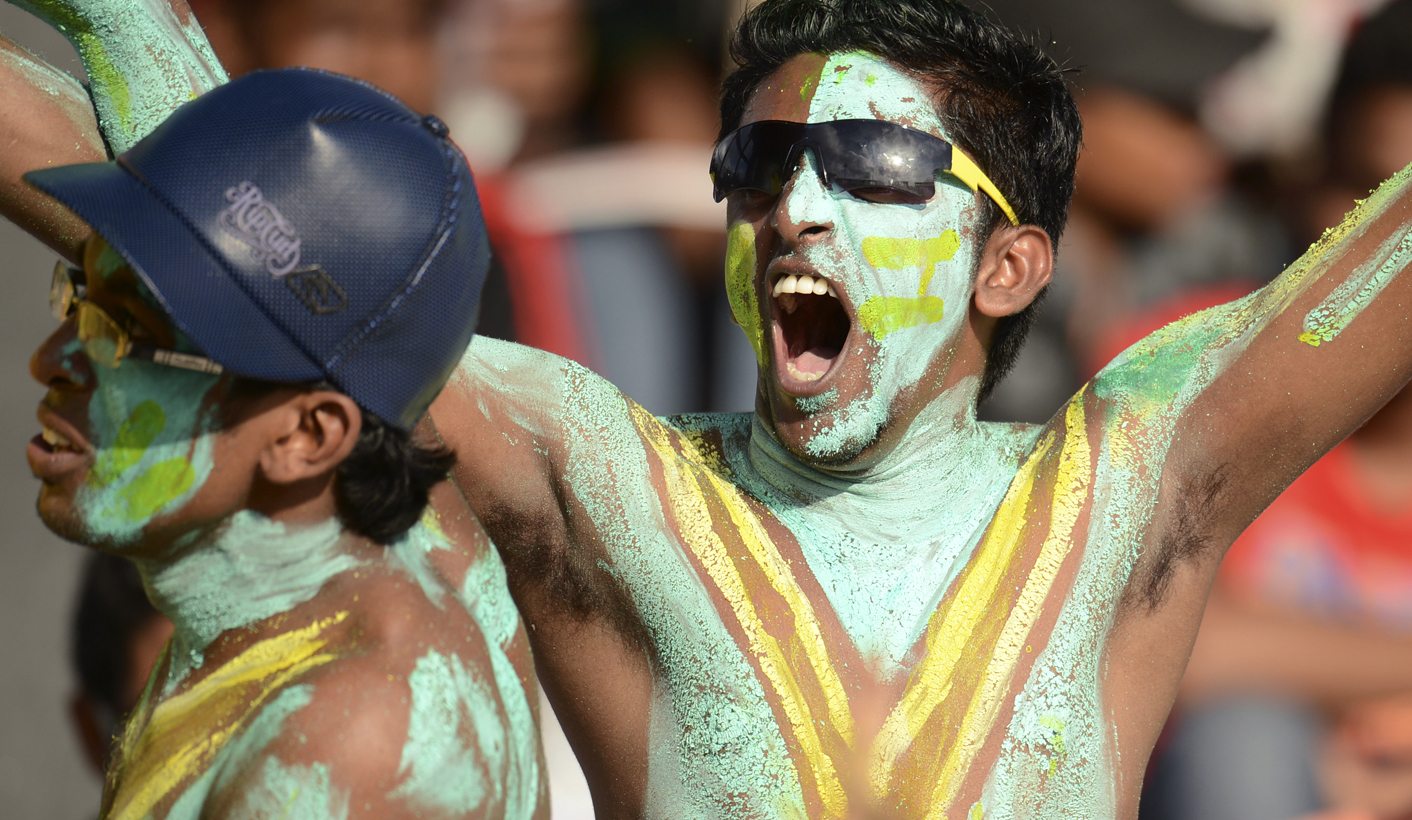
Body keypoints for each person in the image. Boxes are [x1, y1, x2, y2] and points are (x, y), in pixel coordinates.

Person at [9, 0, 1412, 817]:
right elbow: (235, 242)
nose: (793, 209)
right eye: (759, 163)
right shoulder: (609, 483)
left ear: (1011, 266)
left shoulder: (1129, 482)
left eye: (870, 165)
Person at [3, 13, 546, 812]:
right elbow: (130, 25)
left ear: (305, 435)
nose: (52, 360)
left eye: (127, 333)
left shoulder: (343, 743)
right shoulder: (375, 532)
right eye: (83, 296)